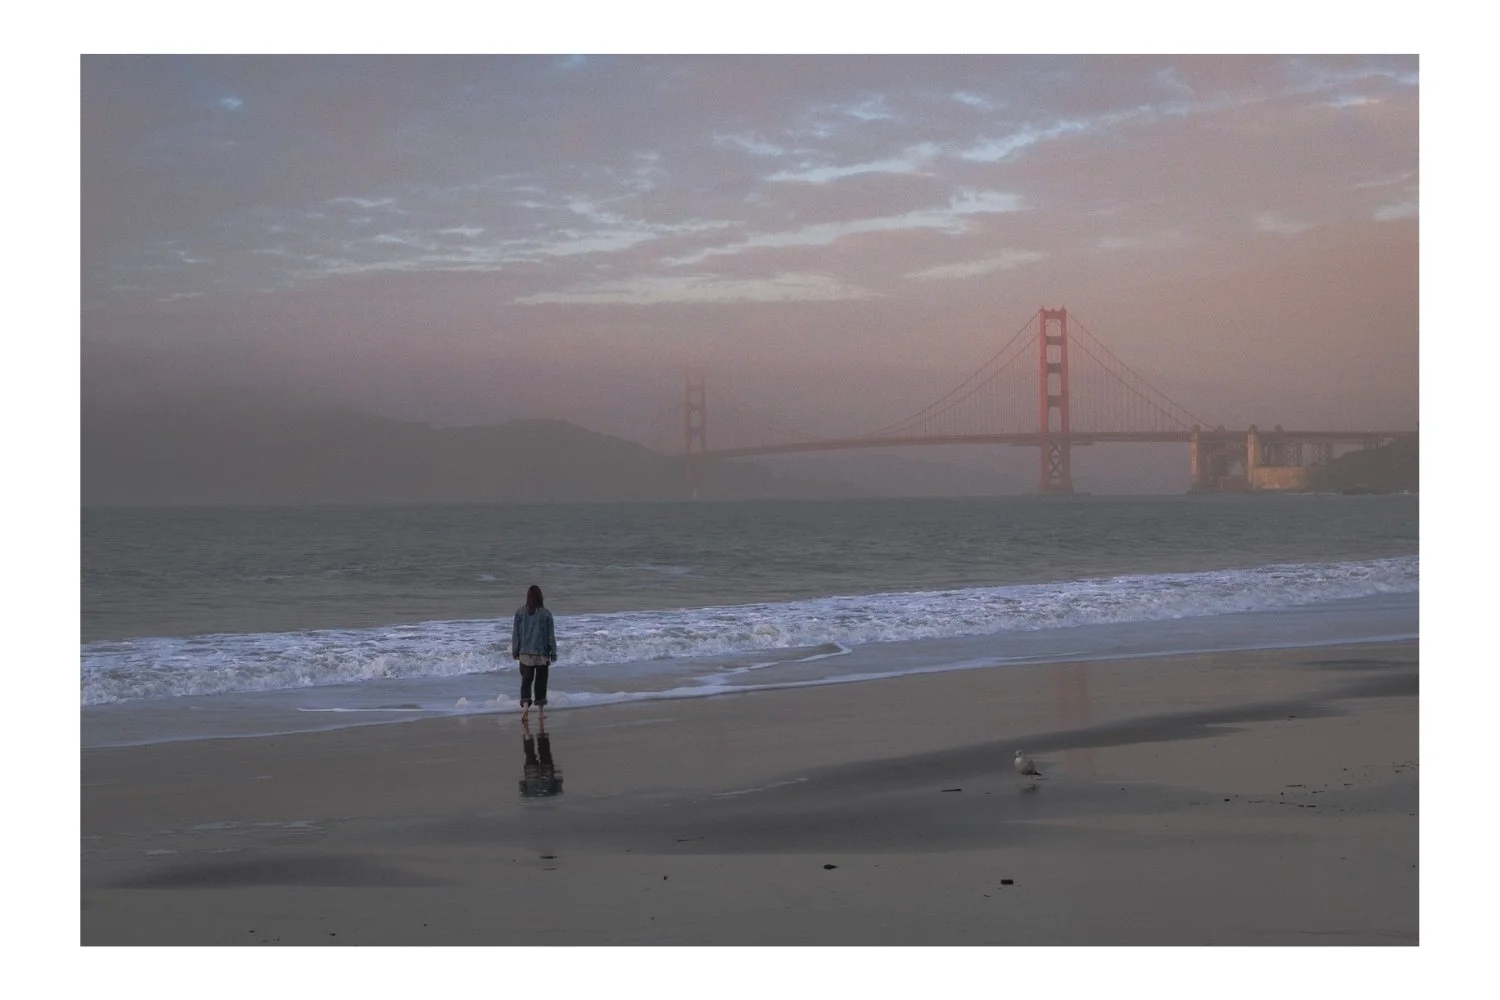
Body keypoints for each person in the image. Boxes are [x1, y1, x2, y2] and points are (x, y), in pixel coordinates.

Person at [511, 584, 557, 716]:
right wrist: (553, 654)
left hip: (525, 653)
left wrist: (515, 651)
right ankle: (540, 712)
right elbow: (550, 636)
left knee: (526, 680)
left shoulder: (519, 613)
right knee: (541, 682)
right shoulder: (546, 614)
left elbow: (516, 634)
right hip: (541, 654)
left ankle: (525, 707)